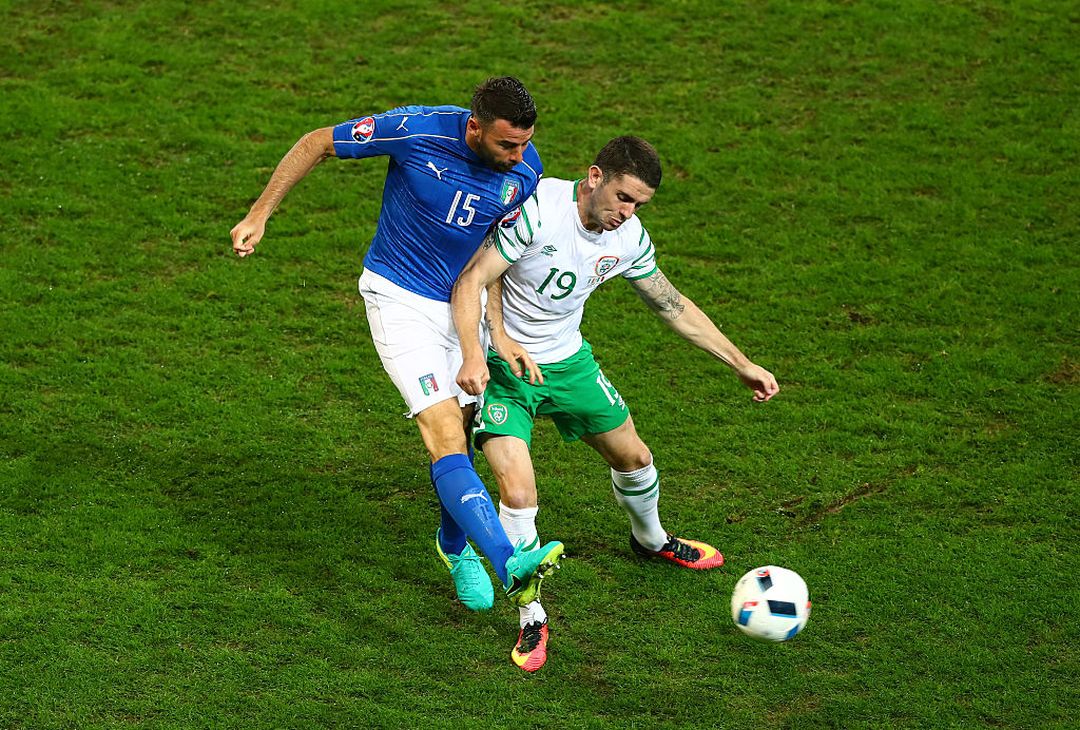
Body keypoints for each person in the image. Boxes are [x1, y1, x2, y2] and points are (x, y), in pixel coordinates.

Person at [229, 77, 564, 614]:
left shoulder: (525, 170)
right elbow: (318, 141)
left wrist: (495, 330)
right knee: (444, 433)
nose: (518, 155)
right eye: (506, 144)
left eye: (525, 142)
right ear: (474, 127)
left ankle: (454, 550)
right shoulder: (416, 130)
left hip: (462, 308)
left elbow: (491, 256)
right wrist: (260, 212)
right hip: (400, 298)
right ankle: (509, 564)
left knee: (467, 433)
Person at [451, 136, 780, 671]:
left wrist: (739, 362)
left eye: (639, 207)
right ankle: (531, 614)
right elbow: (476, 277)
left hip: (569, 362)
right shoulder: (540, 209)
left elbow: (671, 303)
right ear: (595, 176)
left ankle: (650, 541)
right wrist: (493, 342)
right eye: (624, 198)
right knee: (517, 485)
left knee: (635, 458)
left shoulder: (627, 238)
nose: (626, 215)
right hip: (507, 368)